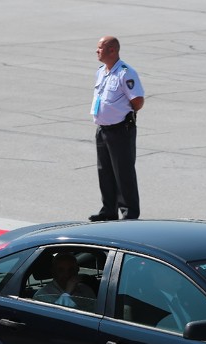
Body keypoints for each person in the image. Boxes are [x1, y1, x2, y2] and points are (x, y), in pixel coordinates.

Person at [89, 36, 144, 222]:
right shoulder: (101, 72)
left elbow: (137, 101)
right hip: (102, 129)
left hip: (120, 129)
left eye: (100, 48)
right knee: (104, 171)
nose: (97, 51)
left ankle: (129, 214)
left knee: (123, 173)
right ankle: (109, 210)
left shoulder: (125, 73)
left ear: (112, 50)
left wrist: (121, 115)